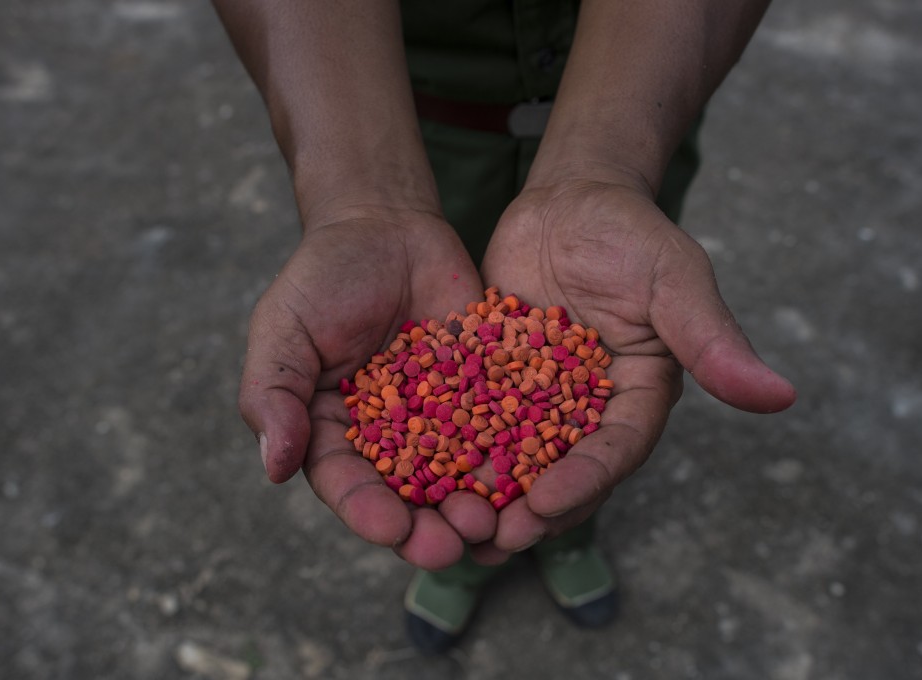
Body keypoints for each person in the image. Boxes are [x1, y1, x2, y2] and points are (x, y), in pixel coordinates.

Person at [211, 0, 796, 654]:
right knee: (466, 500)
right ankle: (457, 562)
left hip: (643, 105)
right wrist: (357, 198)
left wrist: (606, 167)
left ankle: (568, 539)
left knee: (578, 456)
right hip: (403, 112)